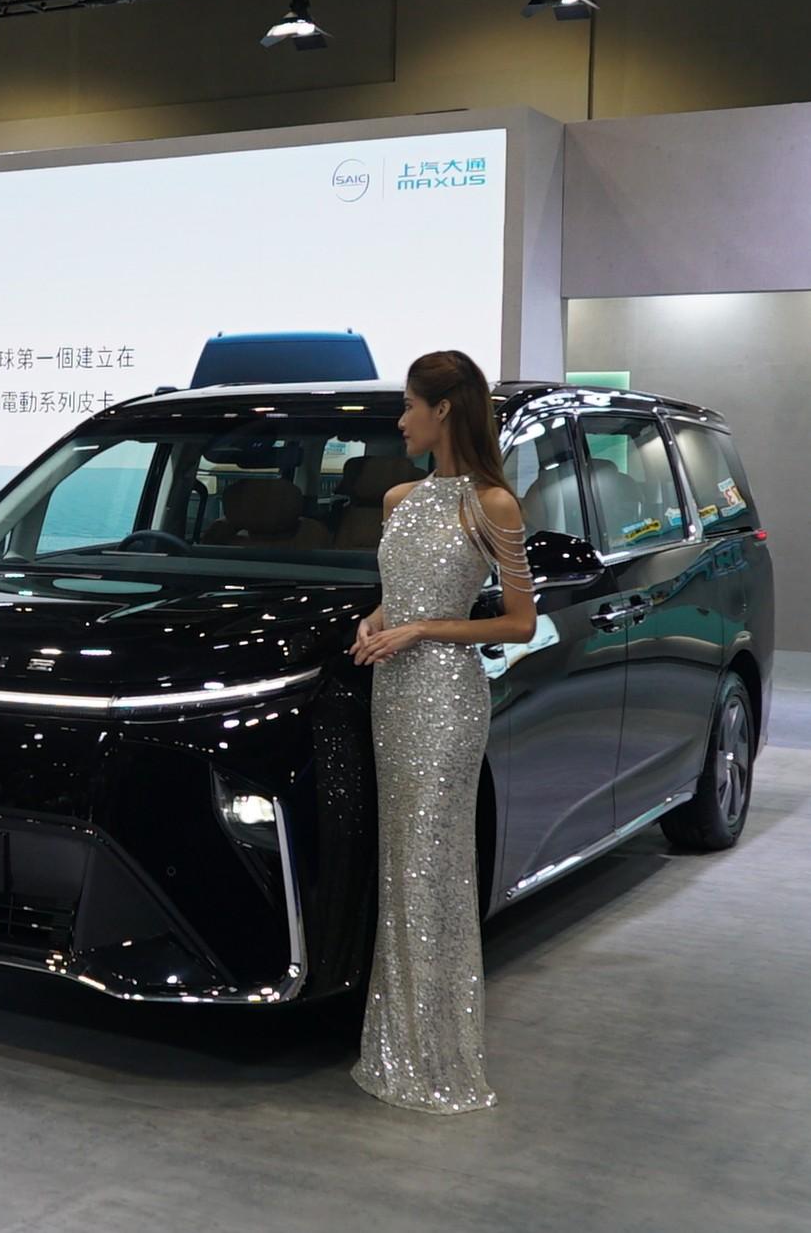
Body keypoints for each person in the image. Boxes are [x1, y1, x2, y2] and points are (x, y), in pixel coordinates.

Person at [347, 350, 536, 1114]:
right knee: (402, 864)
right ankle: (397, 1045)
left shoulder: (493, 505)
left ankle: (437, 1054)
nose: (401, 420)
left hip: (448, 699)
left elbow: (519, 621)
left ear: (444, 409)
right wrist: (378, 619)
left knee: (434, 865)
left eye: (409, 405)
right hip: (392, 694)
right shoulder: (399, 498)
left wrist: (422, 627)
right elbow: (400, 594)